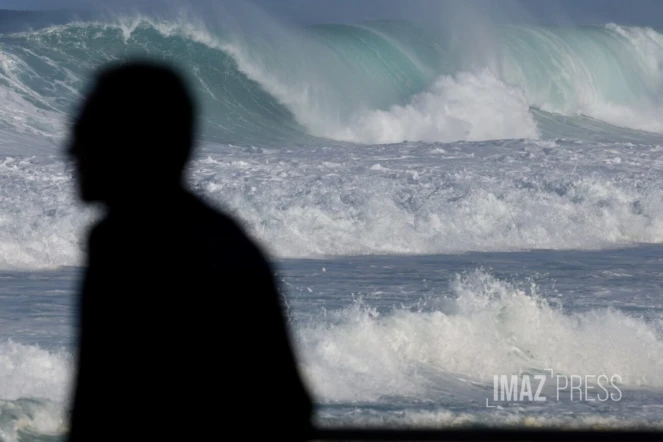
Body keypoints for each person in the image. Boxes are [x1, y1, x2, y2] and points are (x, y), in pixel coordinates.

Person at [65, 60, 312, 441]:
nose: (68, 151)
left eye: (84, 132)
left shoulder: (133, 246)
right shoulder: (223, 237)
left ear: (131, 144)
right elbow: (289, 406)